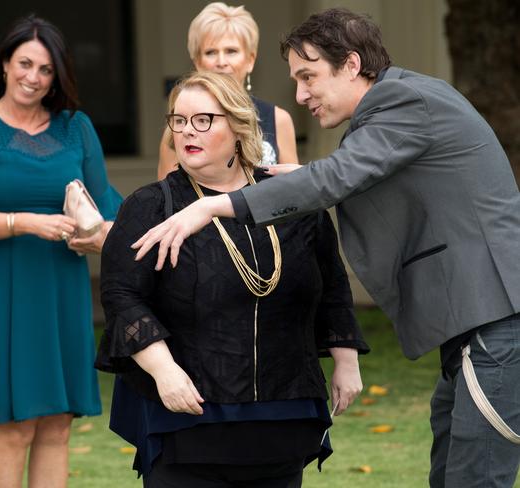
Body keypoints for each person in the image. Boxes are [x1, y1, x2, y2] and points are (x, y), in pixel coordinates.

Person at [132, 7, 520, 488]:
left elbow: (335, 178)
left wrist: (211, 207)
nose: (300, 94)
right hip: (477, 327)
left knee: (475, 480)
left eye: (308, 76)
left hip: (496, 321)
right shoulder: (394, 109)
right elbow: (354, 174)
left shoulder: (403, 99)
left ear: (352, 65)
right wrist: (297, 179)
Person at [96, 71, 369, 487]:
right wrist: (164, 371)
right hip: (190, 414)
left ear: (239, 126)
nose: (188, 131)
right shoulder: (152, 206)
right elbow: (122, 295)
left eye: (204, 119)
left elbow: (331, 282)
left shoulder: (291, 196)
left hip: (284, 412)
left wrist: (345, 360)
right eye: (179, 120)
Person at [0, 15, 122, 487]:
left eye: (45, 70)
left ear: (57, 77)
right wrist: (25, 222)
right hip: (2, 288)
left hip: (62, 286)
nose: (33, 78)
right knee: (15, 424)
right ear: (3, 65)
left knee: (57, 423)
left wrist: (96, 232)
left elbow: (108, 207)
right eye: (25, 64)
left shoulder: (75, 128)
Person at [157, 2, 298, 179]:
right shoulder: (180, 126)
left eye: (231, 51)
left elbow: (295, 194)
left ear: (250, 60)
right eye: (210, 52)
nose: (221, 61)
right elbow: (166, 198)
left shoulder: (279, 120)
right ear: (197, 62)